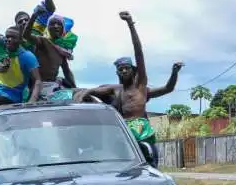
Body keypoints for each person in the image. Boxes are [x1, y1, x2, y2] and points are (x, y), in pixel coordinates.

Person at [73, 11, 183, 165]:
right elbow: (95, 91)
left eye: (127, 68)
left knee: (149, 159)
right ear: (117, 72)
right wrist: (83, 93)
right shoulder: (116, 89)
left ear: (133, 70)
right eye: (121, 69)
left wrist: (130, 24)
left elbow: (166, 86)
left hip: (142, 131)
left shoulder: (141, 86)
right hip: (124, 132)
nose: (124, 71)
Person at [21, 8, 77, 99]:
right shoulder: (42, 41)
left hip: (53, 86)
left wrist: (75, 87)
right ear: (48, 28)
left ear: (63, 29)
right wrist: (34, 16)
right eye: (52, 24)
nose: (56, 26)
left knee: (81, 94)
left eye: (59, 24)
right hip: (38, 87)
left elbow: (66, 71)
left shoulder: (62, 51)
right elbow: (26, 35)